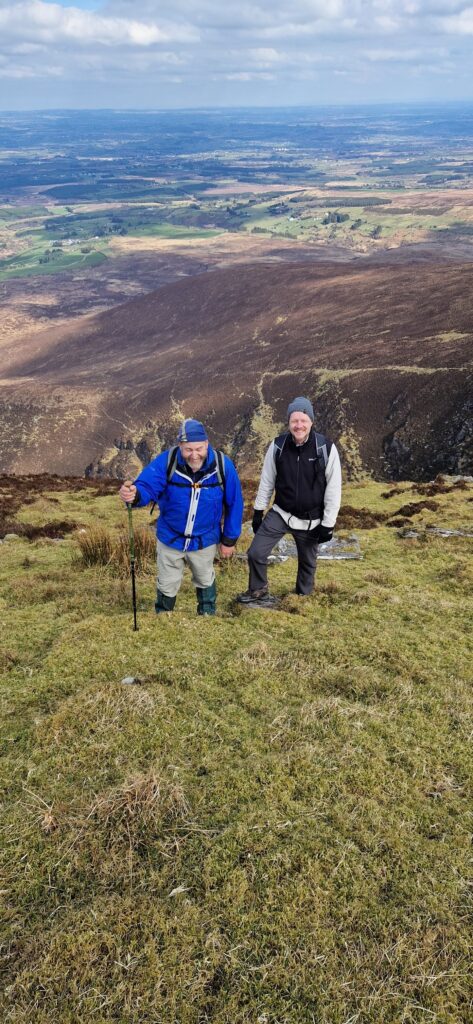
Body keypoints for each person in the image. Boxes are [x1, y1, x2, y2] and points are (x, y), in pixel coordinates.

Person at [119, 419, 243, 615]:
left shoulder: (222, 466)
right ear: (180, 447)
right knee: (167, 583)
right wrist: (134, 495)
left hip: (205, 539)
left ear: (207, 444)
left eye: (199, 449)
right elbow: (146, 486)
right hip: (170, 537)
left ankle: (207, 616)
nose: (194, 455)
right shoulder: (166, 462)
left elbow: (235, 503)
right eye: (188, 450)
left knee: (205, 578)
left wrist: (229, 540)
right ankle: (163, 617)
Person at [237, 397, 342, 606]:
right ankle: (258, 591)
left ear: (311, 421)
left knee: (307, 564)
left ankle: (301, 598)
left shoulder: (326, 449)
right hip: (281, 512)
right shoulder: (278, 446)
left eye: (303, 420)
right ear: (289, 422)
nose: (299, 425)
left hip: (311, 518)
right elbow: (267, 481)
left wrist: (328, 524)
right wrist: (258, 512)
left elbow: (334, 489)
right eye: (294, 421)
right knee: (256, 552)